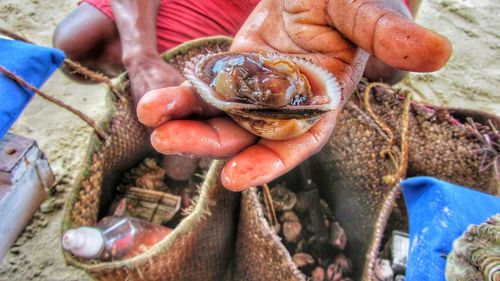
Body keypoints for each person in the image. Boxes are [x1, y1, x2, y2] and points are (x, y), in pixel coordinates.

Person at [54, 0, 452, 191]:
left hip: (289, 14)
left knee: (391, 61)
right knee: (74, 43)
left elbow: (395, 59)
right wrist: (139, 55)